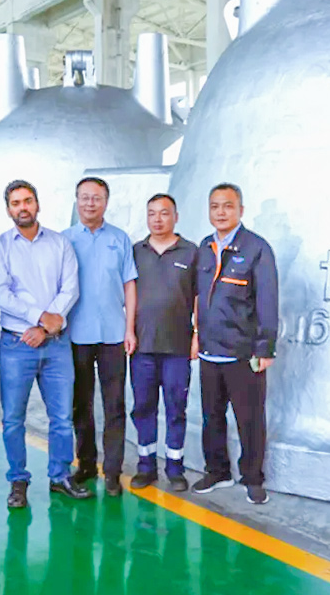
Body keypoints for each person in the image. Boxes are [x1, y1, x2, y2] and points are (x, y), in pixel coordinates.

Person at [0, 179, 92, 508]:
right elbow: (1, 295)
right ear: (8, 210)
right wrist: (39, 318)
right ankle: (18, 480)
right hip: (17, 344)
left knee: (61, 417)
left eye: (28, 200)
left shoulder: (60, 244)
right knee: (13, 419)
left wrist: (45, 329)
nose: (23, 207)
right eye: (16, 202)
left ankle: (60, 475)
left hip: (56, 345)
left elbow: (70, 289)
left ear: (37, 204)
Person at [193, 183, 278, 505]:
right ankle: (217, 471)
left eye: (228, 206)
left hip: (243, 353)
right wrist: (194, 334)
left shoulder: (257, 248)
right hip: (209, 351)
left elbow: (267, 300)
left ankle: (253, 478)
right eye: (215, 206)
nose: (221, 212)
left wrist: (265, 347)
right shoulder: (204, 247)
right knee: (211, 417)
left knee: (250, 420)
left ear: (241, 210)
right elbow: (197, 296)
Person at [62, 177, 137, 497]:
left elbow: (129, 285)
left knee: (114, 404)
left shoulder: (120, 239)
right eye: (84, 197)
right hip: (75, 334)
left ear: (106, 202)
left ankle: (113, 470)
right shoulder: (64, 240)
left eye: (97, 198)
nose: (90, 203)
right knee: (81, 404)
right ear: (76, 200)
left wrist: (129, 328)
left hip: (113, 335)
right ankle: (87, 463)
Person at [128, 194, 198, 492]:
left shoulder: (192, 252)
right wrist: (129, 331)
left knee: (175, 408)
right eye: (152, 213)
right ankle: (146, 466)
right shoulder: (136, 252)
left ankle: (175, 468)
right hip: (142, 347)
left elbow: (199, 297)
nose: (158, 219)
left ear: (176, 217)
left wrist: (197, 335)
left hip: (177, 347)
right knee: (143, 407)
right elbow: (128, 293)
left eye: (164, 213)